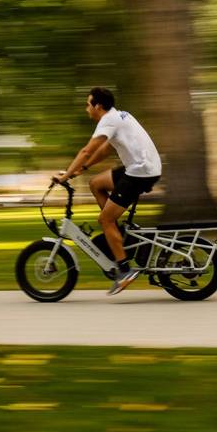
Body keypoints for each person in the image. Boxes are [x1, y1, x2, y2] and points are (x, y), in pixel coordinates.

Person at [52, 87, 161, 296]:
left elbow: (87, 150)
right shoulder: (117, 116)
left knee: (105, 220)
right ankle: (118, 236)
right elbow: (105, 149)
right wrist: (80, 169)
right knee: (96, 184)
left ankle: (124, 269)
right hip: (139, 168)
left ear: (98, 106)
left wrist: (65, 176)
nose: (86, 109)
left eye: (88, 104)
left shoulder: (108, 121)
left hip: (141, 172)